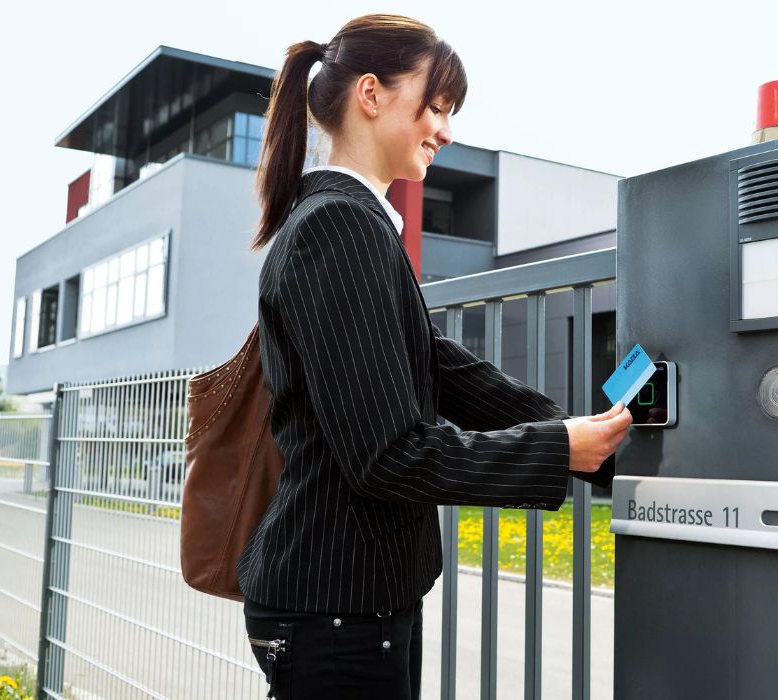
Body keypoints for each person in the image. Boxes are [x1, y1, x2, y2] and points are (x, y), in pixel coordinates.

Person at [237, 14, 631, 699]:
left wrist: (590, 437)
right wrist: (557, 449)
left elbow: (443, 368)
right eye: (437, 106)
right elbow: (390, 454)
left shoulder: (353, 225)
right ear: (371, 95)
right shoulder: (339, 228)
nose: (446, 131)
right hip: (337, 610)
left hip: (344, 603)